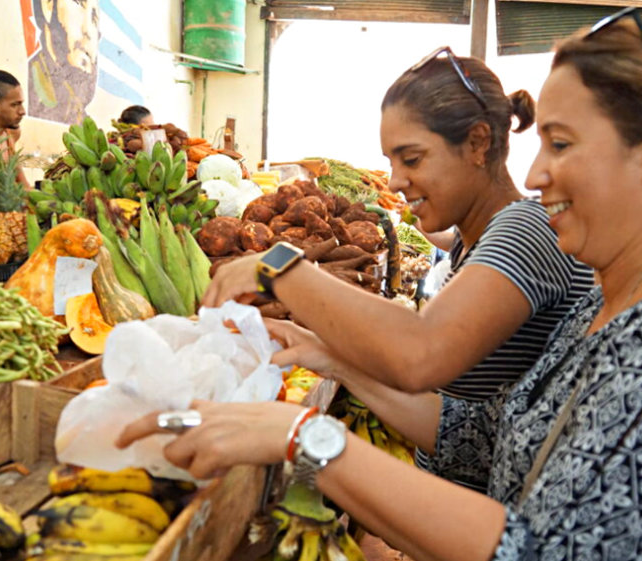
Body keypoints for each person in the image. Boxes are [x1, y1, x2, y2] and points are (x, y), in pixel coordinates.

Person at [118, 11, 642, 560]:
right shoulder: (611, 307)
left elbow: (540, 547)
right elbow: (484, 440)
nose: (536, 170)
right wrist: (330, 359)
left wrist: (305, 437)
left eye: (560, 143)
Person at [202, 49, 593, 492]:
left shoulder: (526, 230)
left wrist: (280, 270)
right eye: (390, 161)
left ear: (479, 143)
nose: (393, 181)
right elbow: (465, 432)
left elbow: (419, 352)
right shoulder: (475, 240)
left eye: (411, 159)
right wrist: (327, 357)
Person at [28, 0, 100, 124]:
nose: (87, 31)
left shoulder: (81, 116)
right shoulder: (29, 85)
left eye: (94, 18)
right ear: (48, 6)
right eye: (78, 4)